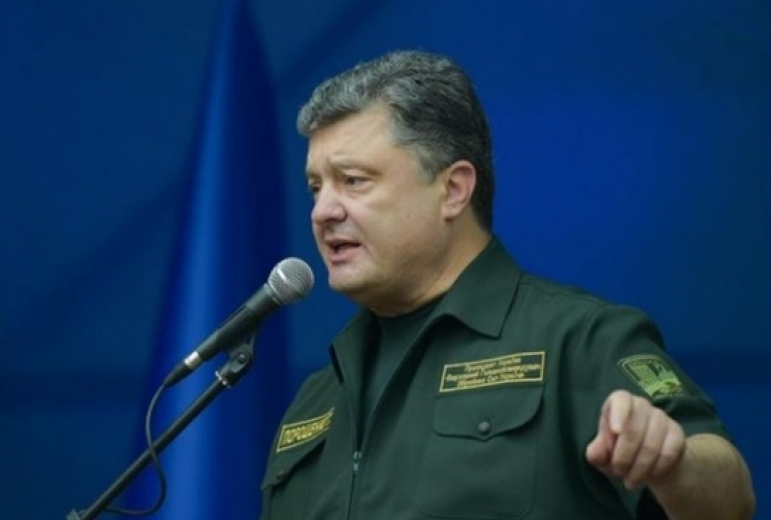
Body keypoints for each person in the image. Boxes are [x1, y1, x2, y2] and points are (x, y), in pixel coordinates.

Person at [259, 50, 755, 520]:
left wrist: (674, 465)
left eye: (353, 180)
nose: (323, 211)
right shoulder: (316, 400)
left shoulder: (578, 342)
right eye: (315, 187)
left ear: (453, 190)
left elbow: (731, 498)